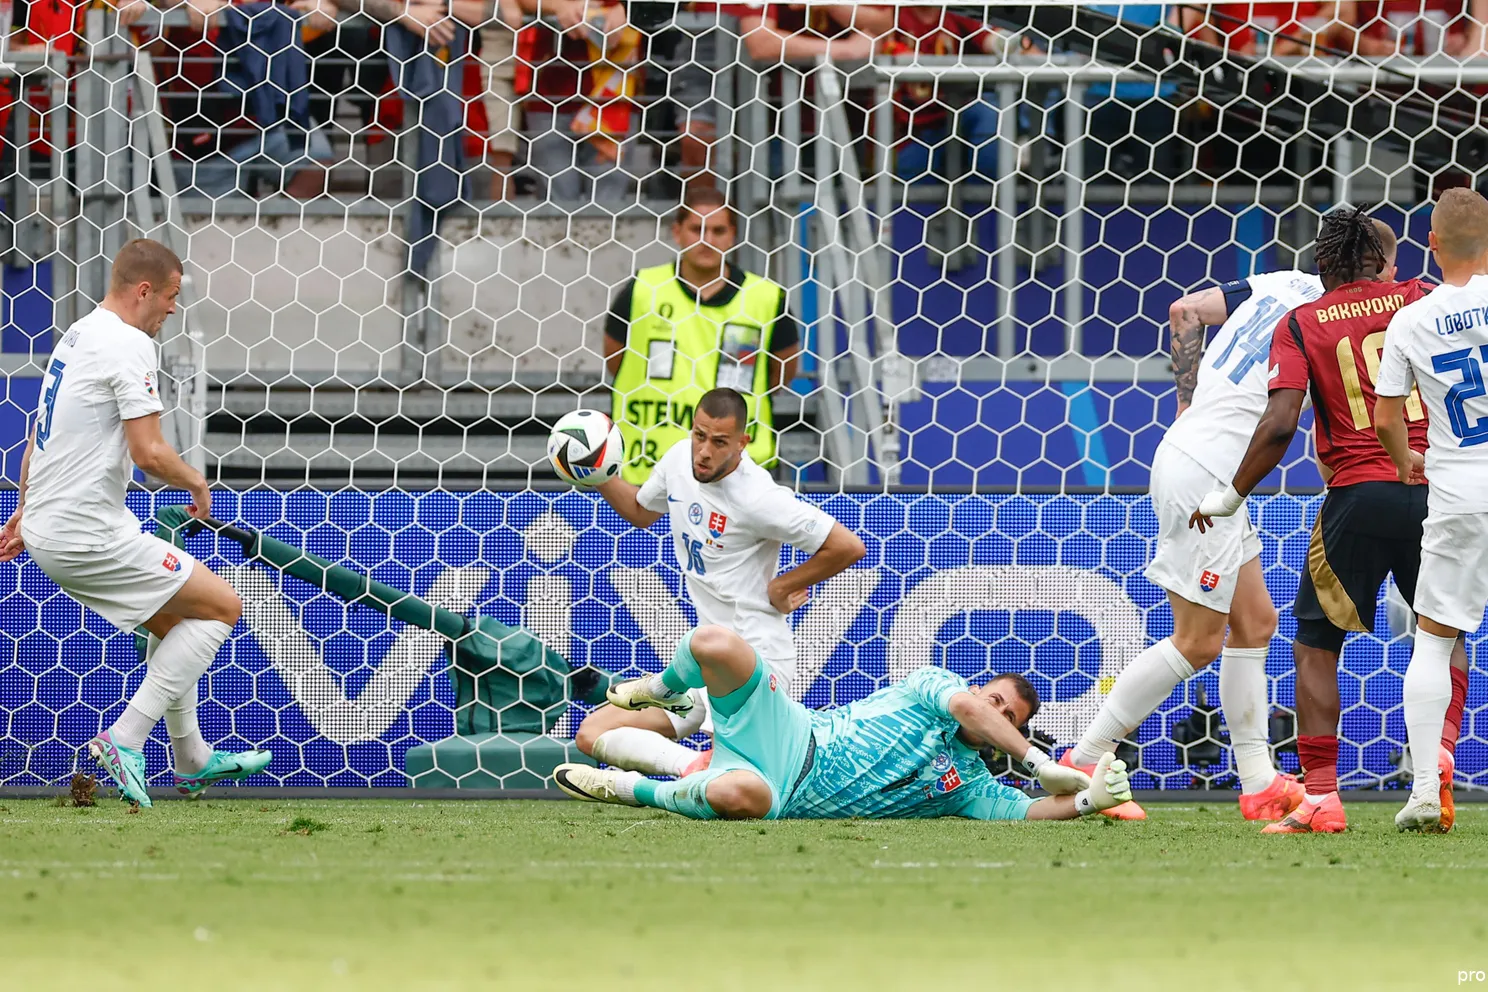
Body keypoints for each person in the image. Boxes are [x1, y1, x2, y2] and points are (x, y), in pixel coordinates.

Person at [1190, 207, 1467, 834]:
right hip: (1441, 489)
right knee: (1442, 629)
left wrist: (1231, 494)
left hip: (1358, 495)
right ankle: (1439, 755)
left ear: (1322, 267)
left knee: (1317, 644)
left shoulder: (1303, 320)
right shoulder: (1425, 297)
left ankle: (1320, 798)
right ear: (1385, 263)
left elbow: (1281, 422)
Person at [0, 239, 270, 807]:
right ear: (144, 290)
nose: (173, 310)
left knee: (179, 624)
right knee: (223, 606)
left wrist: (27, 509)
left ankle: (192, 759)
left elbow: (39, 436)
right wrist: (197, 481)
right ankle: (124, 740)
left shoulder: (80, 333)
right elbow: (148, 453)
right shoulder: (128, 344)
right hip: (85, 529)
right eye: (171, 296)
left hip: (56, 523)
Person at [1060, 265, 1324, 822]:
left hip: (1207, 464)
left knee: (1256, 623)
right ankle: (1086, 757)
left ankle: (1258, 783)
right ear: (1377, 268)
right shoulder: (1331, 318)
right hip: (1210, 473)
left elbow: (1184, 310)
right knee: (1197, 641)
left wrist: (1186, 402)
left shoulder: (1283, 282)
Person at [572, 387, 866, 778]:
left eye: (719, 441)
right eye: (699, 435)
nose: (704, 451)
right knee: (592, 734)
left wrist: (781, 587)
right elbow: (642, 512)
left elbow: (847, 546)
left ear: (743, 443)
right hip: (703, 667)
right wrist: (599, 473)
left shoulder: (758, 497)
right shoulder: (679, 459)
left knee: (738, 780)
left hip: (755, 663)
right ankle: (690, 767)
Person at [555, 624, 1134, 822]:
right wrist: (1035, 761)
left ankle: (630, 791)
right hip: (792, 732)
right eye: (996, 701)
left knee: (737, 793)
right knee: (715, 643)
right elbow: (966, 707)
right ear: (977, 691)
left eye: (1011, 718)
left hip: (782, 793)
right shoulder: (933, 686)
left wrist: (1089, 799)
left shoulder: (969, 788)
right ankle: (660, 690)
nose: (996, 714)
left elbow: (1028, 811)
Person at [1374, 187, 1488, 832]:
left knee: (1434, 642)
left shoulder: (1411, 320)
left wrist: (1404, 460)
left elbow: (1389, 416)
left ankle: (1422, 792)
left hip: (1459, 492)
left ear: (1432, 244)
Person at [605, 188, 800, 482]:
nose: (707, 240)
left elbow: (781, 371)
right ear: (677, 232)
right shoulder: (643, 291)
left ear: (733, 235)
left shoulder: (765, 298)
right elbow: (616, 359)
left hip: (739, 473)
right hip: (649, 468)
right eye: (697, 229)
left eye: (718, 230)